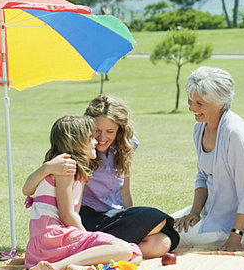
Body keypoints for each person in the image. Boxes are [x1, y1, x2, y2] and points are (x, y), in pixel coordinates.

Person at [23, 94, 179, 259]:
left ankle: (106, 253)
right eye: (97, 132)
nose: (102, 139)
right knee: (157, 219)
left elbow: (125, 192)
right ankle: (102, 252)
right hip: (87, 218)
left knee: (162, 243)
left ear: (120, 129)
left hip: (113, 216)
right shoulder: (78, 155)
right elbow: (66, 210)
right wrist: (47, 167)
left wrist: (131, 218)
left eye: (110, 131)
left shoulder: (125, 147)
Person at [24, 115, 141, 270]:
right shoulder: (64, 167)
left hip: (56, 241)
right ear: (77, 142)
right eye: (91, 137)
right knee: (123, 250)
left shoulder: (79, 171)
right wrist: (87, 238)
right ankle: (56, 267)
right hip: (50, 240)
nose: (96, 141)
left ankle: (74, 266)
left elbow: (73, 213)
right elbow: (67, 214)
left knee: (135, 255)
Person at [171, 66, 244, 252]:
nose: (191, 108)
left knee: (165, 233)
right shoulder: (199, 128)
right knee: (157, 223)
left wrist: (235, 238)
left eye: (199, 103)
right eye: (190, 100)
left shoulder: (234, 133)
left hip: (235, 225)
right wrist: (194, 212)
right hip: (211, 213)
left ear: (220, 103)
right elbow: (202, 175)